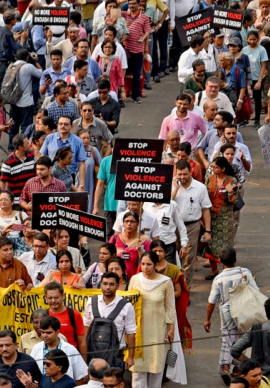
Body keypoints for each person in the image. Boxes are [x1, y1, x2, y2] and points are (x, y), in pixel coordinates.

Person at [205, 247, 258, 383]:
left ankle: (225, 367)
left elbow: (212, 301)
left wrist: (207, 319)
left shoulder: (218, 279)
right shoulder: (245, 272)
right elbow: (255, 291)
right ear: (235, 259)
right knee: (242, 341)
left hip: (227, 315)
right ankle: (237, 368)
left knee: (227, 341)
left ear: (220, 261)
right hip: (244, 313)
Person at [129, 251, 175, 388]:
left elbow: (170, 308)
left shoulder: (165, 282)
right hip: (138, 332)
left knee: (156, 370)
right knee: (138, 372)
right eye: (142, 264)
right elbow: (128, 305)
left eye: (149, 264)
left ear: (156, 265)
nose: (145, 267)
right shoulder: (135, 280)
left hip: (157, 331)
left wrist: (171, 329)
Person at [171, 160, 212, 290]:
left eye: (185, 174)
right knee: (173, 257)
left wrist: (207, 230)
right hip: (173, 226)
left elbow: (206, 209)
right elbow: (166, 204)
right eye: (180, 174)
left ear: (191, 172)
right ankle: (173, 288)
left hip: (192, 226)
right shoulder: (171, 185)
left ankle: (185, 289)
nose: (182, 177)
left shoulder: (200, 188)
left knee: (188, 258)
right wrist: (176, 189)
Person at [82, 272, 136, 369]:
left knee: (114, 384)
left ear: (117, 286)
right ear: (100, 284)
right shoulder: (91, 301)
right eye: (105, 283)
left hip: (116, 355)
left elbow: (131, 333)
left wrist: (131, 357)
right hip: (93, 354)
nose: (107, 287)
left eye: (111, 284)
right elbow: (86, 328)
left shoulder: (127, 306)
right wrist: (84, 355)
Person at [204, 157, 238, 279]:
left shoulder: (232, 181)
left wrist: (229, 193)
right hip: (210, 217)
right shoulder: (209, 179)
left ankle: (226, 272)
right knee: (210, 244)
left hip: (224, 218)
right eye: (212, 167)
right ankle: (214, 271)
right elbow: (204, 196)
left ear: (223, 168)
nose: (213, 169)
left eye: (216, 167)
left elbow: (234, 202)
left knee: (224, 247)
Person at [30, 317, 88, 382]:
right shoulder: (36, 348)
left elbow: (82, 375)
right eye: (42, 332)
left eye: (48, 333)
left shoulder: (70, 349)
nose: (45, 335)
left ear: (57, 332)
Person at [43, 282, 86, 356]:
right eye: (50, 298)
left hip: (70, 358)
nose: (53, 301)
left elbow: (82, 342)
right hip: (49, 360)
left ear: (63, 296)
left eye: (56, 297)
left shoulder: (74, 314)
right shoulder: (43, 315)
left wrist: (84, 364)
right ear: (46, 298)